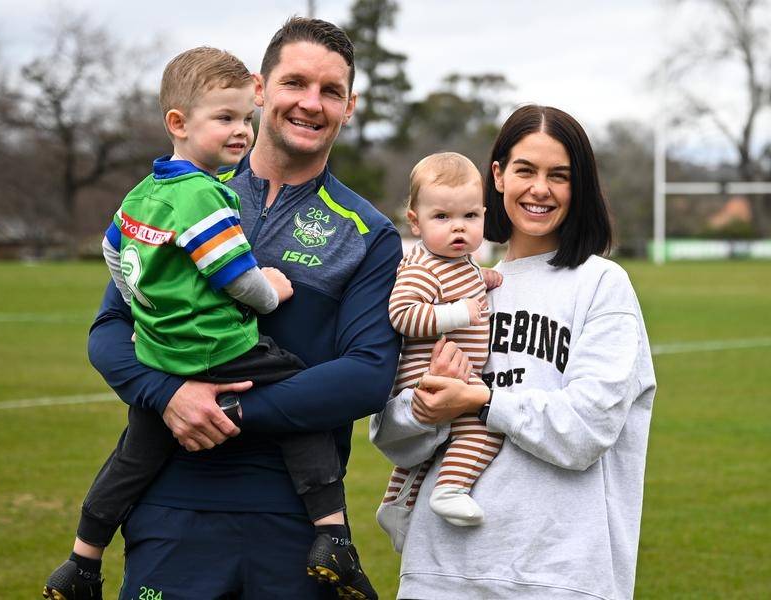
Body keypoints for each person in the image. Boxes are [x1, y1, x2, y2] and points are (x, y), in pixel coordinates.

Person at [53, 18, 401, 600]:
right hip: (170, 508)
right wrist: (167, 396)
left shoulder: (368, 232)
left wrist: (230, 411)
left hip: (295, 523)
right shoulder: (182, 195)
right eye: (294, 83)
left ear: (350, 106)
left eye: (331, 91)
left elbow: (368, 374)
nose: (310, 104)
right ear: (261, 89)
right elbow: (111, 328)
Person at [371, 104, 656, 599]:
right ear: (498, 177)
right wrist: (424, 408)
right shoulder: (447, 285)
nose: (539, 189)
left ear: (579, 186)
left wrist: (480, 400)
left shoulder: (602, 285)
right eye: (525, 170)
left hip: (559, 577)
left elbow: (586, 431)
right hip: (440, 573)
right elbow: (391, 438)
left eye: (559, 176)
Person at [376, 152, 504, 551]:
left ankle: (396, 505)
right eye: (442, 218)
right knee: (483, 430)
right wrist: (457, 313)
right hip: (428, 374)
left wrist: (486, 278)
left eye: (469, 216)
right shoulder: (420, 266)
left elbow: (462, 279)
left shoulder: (459, 264)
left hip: (453, 374)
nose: (458, 229)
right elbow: (403, 314)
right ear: (415, 221)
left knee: (428, 452)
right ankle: (451, 489)